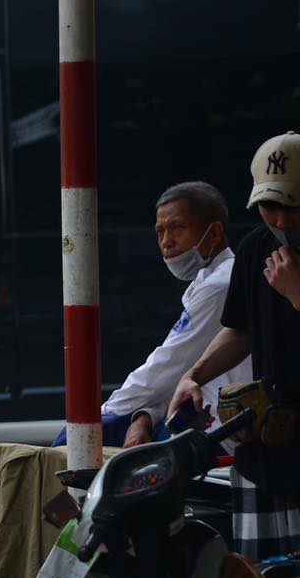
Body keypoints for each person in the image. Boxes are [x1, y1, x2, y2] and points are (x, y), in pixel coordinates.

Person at [169, 131, 300, 567]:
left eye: (292, 207)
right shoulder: (254, 249)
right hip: (263, 451)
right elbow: (238, 330)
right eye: (269, 207)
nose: (281, 221)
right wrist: (194, 376)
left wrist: (296, 292)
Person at [91, 181, 247, 448]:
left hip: (220, 433)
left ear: (215, 232)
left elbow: (168, 366)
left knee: (90, 438)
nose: (166, 242)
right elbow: (176, 373)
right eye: (160, 232)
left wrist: (104, 412)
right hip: (198, 422)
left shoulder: (219, 285)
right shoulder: (208, 280)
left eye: (178, 228)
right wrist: (143, 417)